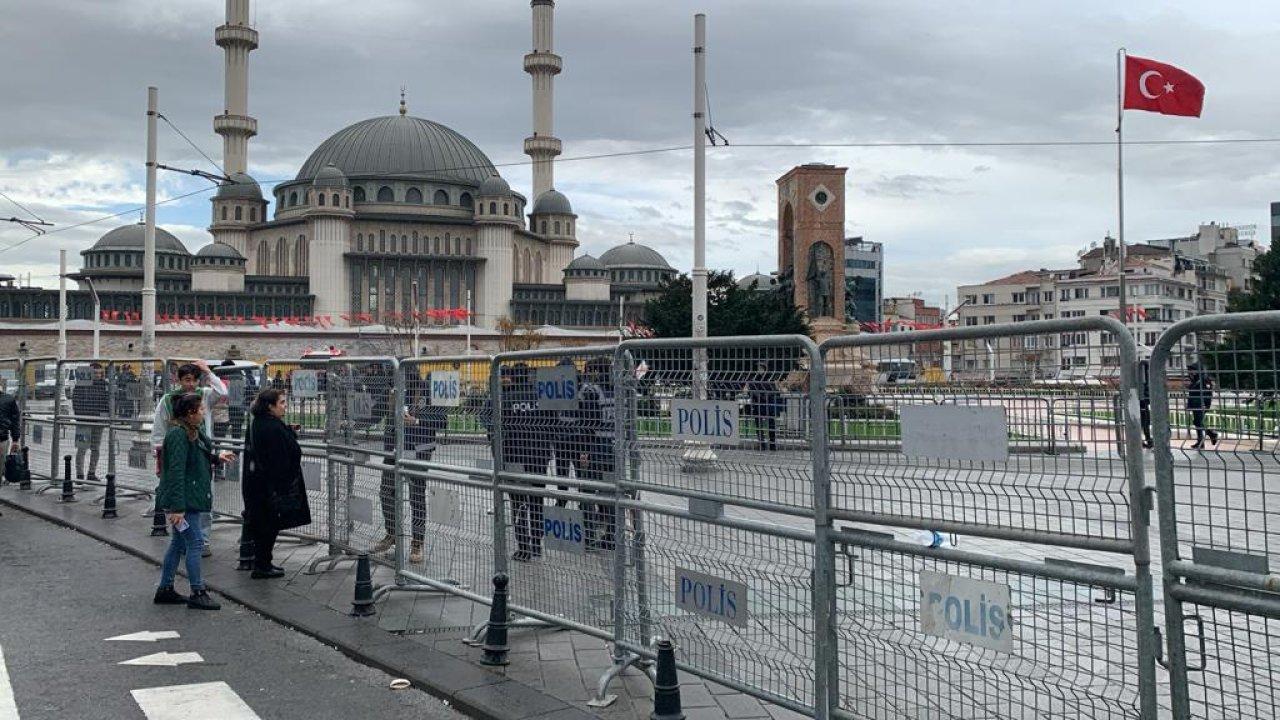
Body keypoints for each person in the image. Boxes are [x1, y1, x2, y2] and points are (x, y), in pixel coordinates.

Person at [154, 392, 234, 610]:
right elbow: (176, 471)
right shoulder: (178, 435)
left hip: (190, 495)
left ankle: (165, 588)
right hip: (185, 499)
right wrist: (177, 507)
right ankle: (197, 591)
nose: (203, 412)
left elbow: (198, 453)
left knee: (178, 543)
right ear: (189, 414)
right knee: (196, 542)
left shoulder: (191, 431)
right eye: (200, 410)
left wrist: (217, 458)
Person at [151, 361, 227, 557]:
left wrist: (207, 371)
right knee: (180, 497)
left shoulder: (204, 396)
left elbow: (221, 391)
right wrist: (159, 455)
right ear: (179, 380)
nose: (191, 384)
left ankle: (203, 540)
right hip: (179, 455)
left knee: (203, 499)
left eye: (194, 380)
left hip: (201, 456)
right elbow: (159, 429)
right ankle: (185, 540)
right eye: (187, 380)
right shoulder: (168, 401)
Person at [372, 377, 447, 564]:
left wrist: (417, 420)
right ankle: (392, 533)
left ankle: (417, 541)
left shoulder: (428, 391)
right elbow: (374, 413)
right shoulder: (394, 390)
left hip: (419, 449)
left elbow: (442, 420)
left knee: (416, 496)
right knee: (386, 492)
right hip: (394, 449)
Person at [243, 388, 311, 578]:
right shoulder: (270, 427)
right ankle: (262, 565)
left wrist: (288, 431)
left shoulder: (262, 423)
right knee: (268, 525)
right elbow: (281, 455)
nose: (285, 406)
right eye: (281, 403)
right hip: (270, 486)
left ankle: (264, 562)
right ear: (270, 406)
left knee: (267, 524)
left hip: (261, 485)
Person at [504, 363, 552, 562]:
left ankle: (523, 547)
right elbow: (551, 422)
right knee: (537, 501)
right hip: (539, 454)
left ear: (513, 377)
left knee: (518, 503)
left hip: (515, 455)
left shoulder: (506, 398)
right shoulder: (541, 396)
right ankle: (537, 543)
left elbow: (502, 426)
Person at [577, 358, 617, 551]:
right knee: (611, 494)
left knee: (587, 492)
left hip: (596, 447)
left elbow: (587, 423)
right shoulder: (619, 390)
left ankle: (590, 537)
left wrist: (584, 451)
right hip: (616, 449)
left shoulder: (592, 391)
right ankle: (611, 536)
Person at [71, 363, 110, 482]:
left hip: (98, 421)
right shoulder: (82, 385)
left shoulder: (104, 385)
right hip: (84, 421)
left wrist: (105, 417)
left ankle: (91, 473)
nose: (98, 375)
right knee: (82, 448)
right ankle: (80, 474)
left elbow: (107, 402)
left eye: (100, 373)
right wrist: (80, 417)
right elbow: (75, 401)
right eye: (95, 373)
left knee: (95, 448)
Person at [747, 360, 781, 452]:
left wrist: (766, 394)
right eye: (759, 367)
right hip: (758, 405)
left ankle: (772, 444)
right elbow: (751, 392)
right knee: (759, 425)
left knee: (771, 425)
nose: (760, 369)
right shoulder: (754, 379)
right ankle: (762, 443)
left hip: (768, 405)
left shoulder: (769, 379)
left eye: (762, 367)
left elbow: (775, 392)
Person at [1187, 363, 1219, 450]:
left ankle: (1206, 437)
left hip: (1201, 404)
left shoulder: (1203, 379)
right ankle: (1204, 439)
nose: (1190, 372)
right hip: (1195, 403)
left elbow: (1208, 393)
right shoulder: (1195, 379)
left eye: (1192, 370)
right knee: (1197, 422)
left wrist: (1206, 404)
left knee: (1198, 422)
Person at [1138, 359, 1154, 449]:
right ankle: (1146, 440)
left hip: (1142, 401)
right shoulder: (1144, 376)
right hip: (1141, 401)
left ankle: (1147, 440)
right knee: (1144, 422)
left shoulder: (1146, 377)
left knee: (1145, 422)